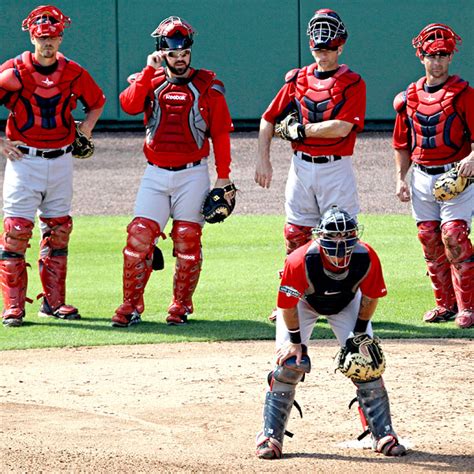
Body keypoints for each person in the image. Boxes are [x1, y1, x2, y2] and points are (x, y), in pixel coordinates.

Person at [255, 206, 406, 459]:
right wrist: (295, 341)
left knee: (366, 361)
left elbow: (369, 297)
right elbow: (287, 305)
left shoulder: (367, 256)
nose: (340, 243)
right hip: (303, 303)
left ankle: (382, 433)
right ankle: (270, 435)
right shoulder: (300, 260)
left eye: (346, 236)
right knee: (291, 363)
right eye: (333, 237)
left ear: (355, 236)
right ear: (320, 237)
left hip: (346, 303)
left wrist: (358, 335)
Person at [112, 16, 234, 327]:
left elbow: (220, 132)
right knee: (139, 237)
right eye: (173, 54)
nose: (179, 60)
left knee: (187, 239)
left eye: (184, 54)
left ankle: (180, 305)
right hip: (155, 172)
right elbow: (128, 105)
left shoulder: (208, 84)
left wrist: (224, 176)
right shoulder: (149, 80)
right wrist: (146, 71)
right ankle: (131, 304)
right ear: (161, 52)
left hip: (192, 173)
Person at [0, 5, 105, 327]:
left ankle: (54, 303)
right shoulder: (14, 71)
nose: (48, 42)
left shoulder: (73, 72)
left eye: (53, 36)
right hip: (24, 160)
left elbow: (97, 101)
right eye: (42, 36)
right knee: (16, 232)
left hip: (60, 158)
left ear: (61, 37)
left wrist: (85, 129)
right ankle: (14, 307)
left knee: (59, 231)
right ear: (33, 36)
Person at [255, 8, 365, 256]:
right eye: (318, 50)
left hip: (336, 168)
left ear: (340, 48)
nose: (322, 55)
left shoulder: (353, 82)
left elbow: (341, 127)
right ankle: (299, 295)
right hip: (300, 167)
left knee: (341, 238)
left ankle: (343, 296)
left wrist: (300, 131)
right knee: (295, 236)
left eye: (327, 50)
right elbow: (268, 119)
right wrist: (263, 160)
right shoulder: (298, 79)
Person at [393, 23, 474, 329]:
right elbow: (401, 143)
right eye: (432, 55)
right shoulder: (409, 97)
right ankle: (445, 304)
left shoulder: (464, 94)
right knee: (429, 238)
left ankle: (469, 306)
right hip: (422, 177)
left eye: (443, 55)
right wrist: (400, 178)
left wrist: (472, 158)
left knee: (453, 236)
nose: (437, 61)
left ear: (451, 57)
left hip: (457, 176)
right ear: (421, 56)